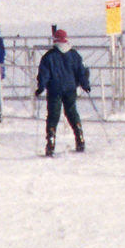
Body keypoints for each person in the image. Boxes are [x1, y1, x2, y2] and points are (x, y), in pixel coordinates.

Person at [34, 26, 91, 156]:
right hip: (71, 89)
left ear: (55, 41)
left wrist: (41, 87)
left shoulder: (48, 57)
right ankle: (79, 137)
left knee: (53, 115)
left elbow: (44, 74)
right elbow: (81, 72)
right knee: (72, 112)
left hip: (54, 90)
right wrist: (85, 85)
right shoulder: (74, 54)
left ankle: (51, 142)